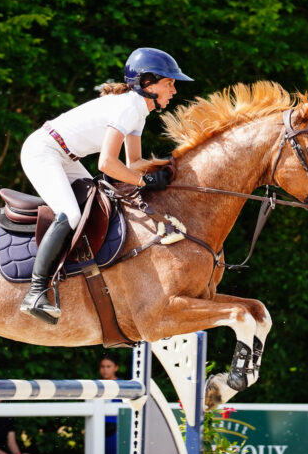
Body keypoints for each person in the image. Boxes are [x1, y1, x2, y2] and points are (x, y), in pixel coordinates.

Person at [19, 47, 193, 323]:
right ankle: (35, 292)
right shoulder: (128, 107)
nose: (174, 90)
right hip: (44, 151)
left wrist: (172, 167)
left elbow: (134, 161)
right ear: (148, 83)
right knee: (71, 214)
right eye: (169, 83)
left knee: (97, 206)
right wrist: (145, 180)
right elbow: (107, 164)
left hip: (65, 156)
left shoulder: (139, 111)